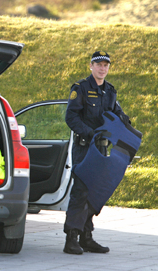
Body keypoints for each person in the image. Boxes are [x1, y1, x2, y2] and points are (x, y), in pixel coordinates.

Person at [63, 51, 130, 255]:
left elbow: (116, 114)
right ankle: (71, 239)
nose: (102, 68)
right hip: (85, 147)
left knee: (94, 191)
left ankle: (86, 237)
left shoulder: (110, 91)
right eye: (98, 64)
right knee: (81, 190)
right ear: (90, 66)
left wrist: (125, 122)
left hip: (101, 148)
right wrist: (90, 133)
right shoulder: (81, 88)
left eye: (105, 65)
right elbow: (71, 117)